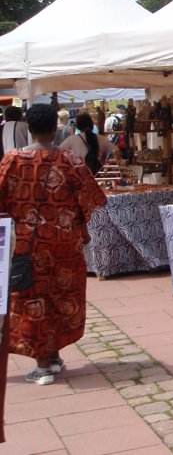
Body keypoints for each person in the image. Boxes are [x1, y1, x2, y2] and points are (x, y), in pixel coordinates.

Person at [0, 104, 107, 385]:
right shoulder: (70, 160)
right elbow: (92, 198)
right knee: (60, 297)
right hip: (64, 245)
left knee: (33, 301)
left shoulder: (11, 161)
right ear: (54, 128)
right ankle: (53, 356)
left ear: (29, 127)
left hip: (26, 246)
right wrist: (78, 227)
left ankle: (44, 364)